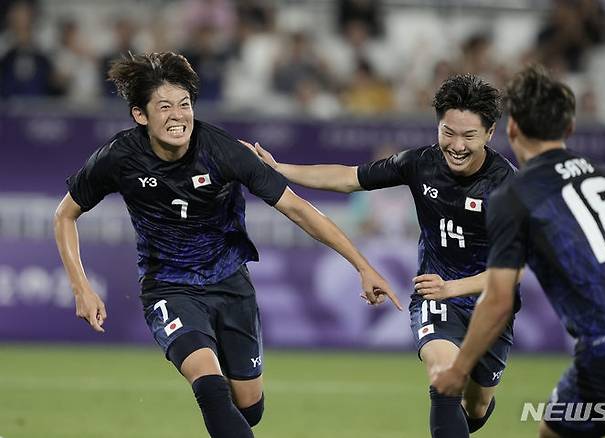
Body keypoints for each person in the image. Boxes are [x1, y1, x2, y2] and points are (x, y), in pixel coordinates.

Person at [53, 52, 401, 438]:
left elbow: (300, 210)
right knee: (209, 385)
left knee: (249, 409)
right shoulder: (118, 157)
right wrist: (81, 287)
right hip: (169, 285)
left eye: (184, 105)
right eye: (164, 107)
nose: (177, 116)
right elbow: (64, 215)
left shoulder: (222, 151)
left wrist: (362, 265)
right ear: (140, 115)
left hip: (230, 283)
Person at [242, 73, 519, 437]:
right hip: (435, 293)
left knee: (477, 405)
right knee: (443, 377)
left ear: (489, 133)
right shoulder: (420, 163)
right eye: (448, 132)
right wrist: (280, 169)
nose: (456, 145)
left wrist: (455, 288)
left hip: (490, 301)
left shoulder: (507, 186)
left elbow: (512, 270)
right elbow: (348, 177)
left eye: (468, 135)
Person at [433, 65, 605, 438]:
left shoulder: (517, 196)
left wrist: (460, 369)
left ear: (511, 128)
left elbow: (499, 299)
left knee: (551, 432)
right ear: (568, 128)